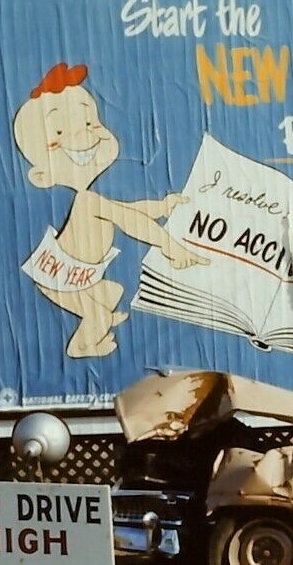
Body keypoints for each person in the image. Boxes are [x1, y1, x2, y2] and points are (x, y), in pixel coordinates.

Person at [11, 62, 206, 358]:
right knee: (98, 315)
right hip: (61, 276)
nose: (86, 136)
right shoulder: (87, 202)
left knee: (111, 293)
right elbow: (128, 221)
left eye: (90, 124)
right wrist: (171, 247)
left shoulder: (93, 201)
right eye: (60, 133)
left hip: (79, 274)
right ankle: (80, 346)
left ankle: (96, 322)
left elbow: (128, 211)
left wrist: (162, 207)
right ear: (41, 176)